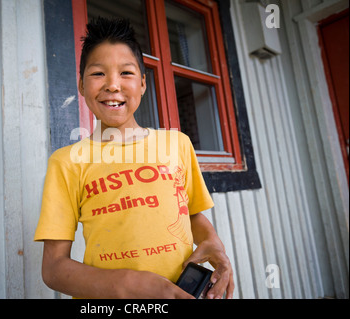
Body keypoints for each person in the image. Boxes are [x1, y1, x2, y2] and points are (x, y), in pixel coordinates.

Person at [34, 17, 234, 299]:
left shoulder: (177, 143)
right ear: (80, 85)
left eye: (126, 73)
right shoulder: (67, 162)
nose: (113, 85)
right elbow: (54, 269)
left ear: (142, 83)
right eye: (98, 74)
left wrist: (213, 244)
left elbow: (190, 214)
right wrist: (129, 285)